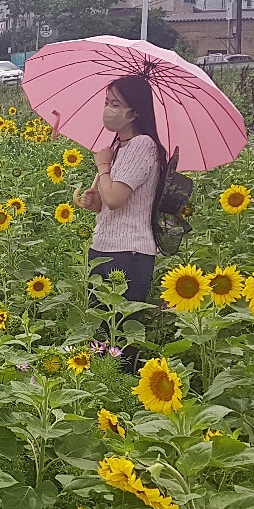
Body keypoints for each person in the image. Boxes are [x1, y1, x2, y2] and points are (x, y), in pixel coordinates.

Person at [74, 75, 166, 369]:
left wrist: (102, 167)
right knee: (101, 336)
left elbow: (116, 198)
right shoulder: (119, 148)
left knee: (121, 341)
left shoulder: (143, 146)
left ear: (135, 112)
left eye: (116, 104)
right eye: (106, 102)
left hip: (129, 253)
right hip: (103, 247)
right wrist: (91, 201)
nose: (108, 109)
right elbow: (105, 204)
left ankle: (121, 400)